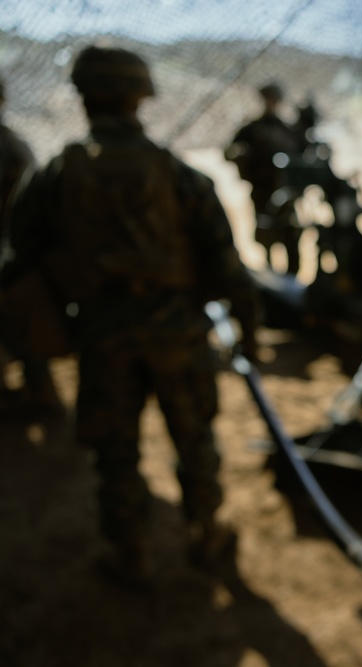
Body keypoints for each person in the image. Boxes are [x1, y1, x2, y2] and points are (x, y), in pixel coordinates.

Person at [3, 44, 260, 587]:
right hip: (178, 334)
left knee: (114, 451)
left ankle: (129, 551)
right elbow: (230, 270)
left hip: (101, 334)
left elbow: (18, 254)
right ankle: (206, 530)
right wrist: (250, 339)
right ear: (140, 96)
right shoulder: (178, 174)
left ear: (83, 96)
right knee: (194, 439)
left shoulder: (56, 173)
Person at [0, 76, 61, 413]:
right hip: (15, 252)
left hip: (9, 253)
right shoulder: (12, 141)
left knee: (17, 326)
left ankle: (39, 392)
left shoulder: (7, 144)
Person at [225, 82, 303, 276]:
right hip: (262, 190)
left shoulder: (289, 131)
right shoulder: (252, 129)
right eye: (268, 99)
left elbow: (303, 158)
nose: (271, 103)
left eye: (274, 100)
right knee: (266, 234)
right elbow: (228, 152)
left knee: (290, 235)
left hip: (287, 193)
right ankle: (270, 274)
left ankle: (291, 278)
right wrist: (242, 157)